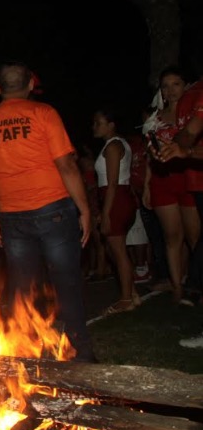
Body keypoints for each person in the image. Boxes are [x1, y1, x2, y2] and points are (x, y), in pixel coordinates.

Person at [0, 62, 94, 362]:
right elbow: (66, 165)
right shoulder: (44, 114)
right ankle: (81, 356)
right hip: (53, 210)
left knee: (22, 289)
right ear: (28, 86)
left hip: (13, 218)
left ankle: (22, 357)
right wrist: (85, 209)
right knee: (66, 284)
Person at [142, 67, 199, 305]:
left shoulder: (192, 116)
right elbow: (149, 156)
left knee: (195, 237)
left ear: (185, 86)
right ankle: (177, 289)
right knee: (172, 237)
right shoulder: (154, 119)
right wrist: (146, 187)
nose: (171, 90)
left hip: (188, 178)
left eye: (176, 84)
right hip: (162, 181)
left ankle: (195, 284)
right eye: (166, 86)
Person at [92, 109, 140, 314]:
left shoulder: (113, 146)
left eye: (98, 123)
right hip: (118, 198)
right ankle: (132, 293)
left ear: (111, 125)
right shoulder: (118, 144)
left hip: (117, 198)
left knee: (118, 251)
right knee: (115, 250)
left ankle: (126, 299)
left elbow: (112, 183)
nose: (94, 127)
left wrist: (107, 213)